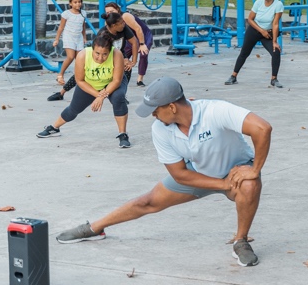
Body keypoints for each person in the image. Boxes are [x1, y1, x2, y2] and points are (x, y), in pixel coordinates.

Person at [54, 77, 272, 268]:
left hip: (236, 171)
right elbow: (179, 174)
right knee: (147, 202)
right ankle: (94, 228)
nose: (153, 116)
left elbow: (262, 128)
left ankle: (240, 241)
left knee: (249, 185)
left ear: (172, 107)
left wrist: (254, 169)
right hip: (197, 173)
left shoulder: (215, 111)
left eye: (155, 110)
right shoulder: (160, 129)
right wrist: (223, 184)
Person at [37, 31, 132, 148]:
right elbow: (80, 80)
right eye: (97, 53)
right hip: (90, 83)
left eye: (105, 54)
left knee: (118, 98)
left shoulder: (117, 54)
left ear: (110, 51)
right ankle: (54, 128)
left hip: (112, 83)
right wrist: (98, 95)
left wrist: (102, 96)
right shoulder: (82, 55)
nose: (100, 58)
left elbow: (116, 80)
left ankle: (123, 134)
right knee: (74, 109)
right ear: (92, 49)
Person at [47, 12, 140, 101]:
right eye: (121, 23)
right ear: (114, 26)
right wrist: (121, 60)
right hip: (103, 56)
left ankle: (121, 95)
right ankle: (62, 92)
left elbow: (134, 42)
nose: (124, 23)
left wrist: (133, 61)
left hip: (118, 54)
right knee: (82, 74)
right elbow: (100, 53)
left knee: (127, 69)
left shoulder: (124, 28)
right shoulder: (103, 34)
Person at [226, 0, 284, 88]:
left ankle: (274, 79)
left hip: (268, 34)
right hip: (254, 30)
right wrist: (262, 31)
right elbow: (250, 19)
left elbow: (275, 24)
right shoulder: (258, 3)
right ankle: (233, 76)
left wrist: (275, 42)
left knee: (276, 52)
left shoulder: (278, 5)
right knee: (244, 53)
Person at [104, 1, 151, 86]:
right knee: (123, 58)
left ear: (117, 10)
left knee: (143, 54)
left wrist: (142, 44)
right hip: (130, 37)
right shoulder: (109, 22)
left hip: (143, 35)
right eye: (108, 13)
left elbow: (138, 29)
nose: (110, 14)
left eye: (112, 11)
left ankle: (140, 79)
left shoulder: (125, 16)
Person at [52, 0, 87, 88]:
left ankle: (79, 77)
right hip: (69, 37)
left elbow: (83, 26)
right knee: (70, 56)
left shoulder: (83, 13)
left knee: (80, 58)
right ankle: (60, 74)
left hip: (78, 37)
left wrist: (84, 37)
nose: (78, 4)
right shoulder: (66, 14)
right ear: (70, 4)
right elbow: (61, 27)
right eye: (75, 2)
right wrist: (56, 39)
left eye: (79, 2)